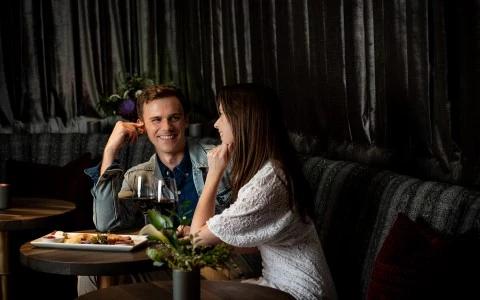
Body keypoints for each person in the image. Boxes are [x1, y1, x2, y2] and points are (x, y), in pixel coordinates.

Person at [78, 83, 233, 295]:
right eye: (156, 120)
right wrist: (110, 151)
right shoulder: (137, 177)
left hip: (214, 262)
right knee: (91, 272)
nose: (167, 127)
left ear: (186, 120)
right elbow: (107, 223)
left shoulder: (219, 159)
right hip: (165, 265)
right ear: (141, 126)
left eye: (174, 118)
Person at [190, 83, 338, 300]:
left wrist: (214, 175)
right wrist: (212, 236)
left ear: (243, 120)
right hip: (278, 285)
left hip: (300, 293)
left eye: (222, 115)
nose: (216, 123)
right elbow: (257, 242)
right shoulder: (273, 170)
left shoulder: (269, 184)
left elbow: (196, 239)